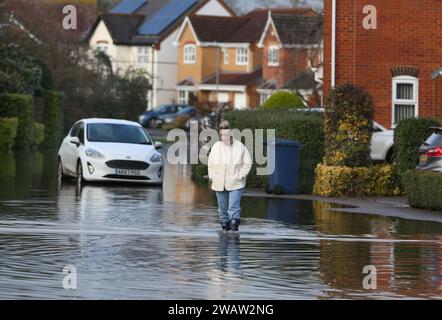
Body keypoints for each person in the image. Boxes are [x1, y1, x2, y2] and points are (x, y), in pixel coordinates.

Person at [208, 121, 252, 232]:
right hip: (219, 182)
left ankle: (233, 233)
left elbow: (247, 163)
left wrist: (240, 175)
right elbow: (211, 163)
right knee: (222, 210)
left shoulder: (240, 147)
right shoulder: (216, 147)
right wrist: (212, 177)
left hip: (236, 183)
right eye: (223, 136)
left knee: (233, 208)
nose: (226, 139)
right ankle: (225, 232)